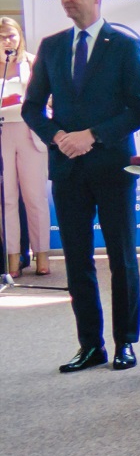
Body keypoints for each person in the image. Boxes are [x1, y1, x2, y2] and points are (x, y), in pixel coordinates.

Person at [23, 0, 140, 373]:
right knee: (77, 260)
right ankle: (90, 345)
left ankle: (125, 342)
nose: (65, 0)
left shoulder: (125, 44)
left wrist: (92, 135)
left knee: (122, 257)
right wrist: (58, 136)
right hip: (67, 169)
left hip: (112, 166)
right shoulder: (52, 46)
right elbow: (31, 107)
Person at [0, 16, 51, 277]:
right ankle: (12, 258)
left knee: (35, 198)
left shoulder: (32, 62)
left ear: (20, 36)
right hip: (2, 134)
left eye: (11, 35)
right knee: (6, 199)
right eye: (1, 37)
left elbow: (49, 98)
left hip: (29, 133)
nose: (7, 41)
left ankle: (42, 256)